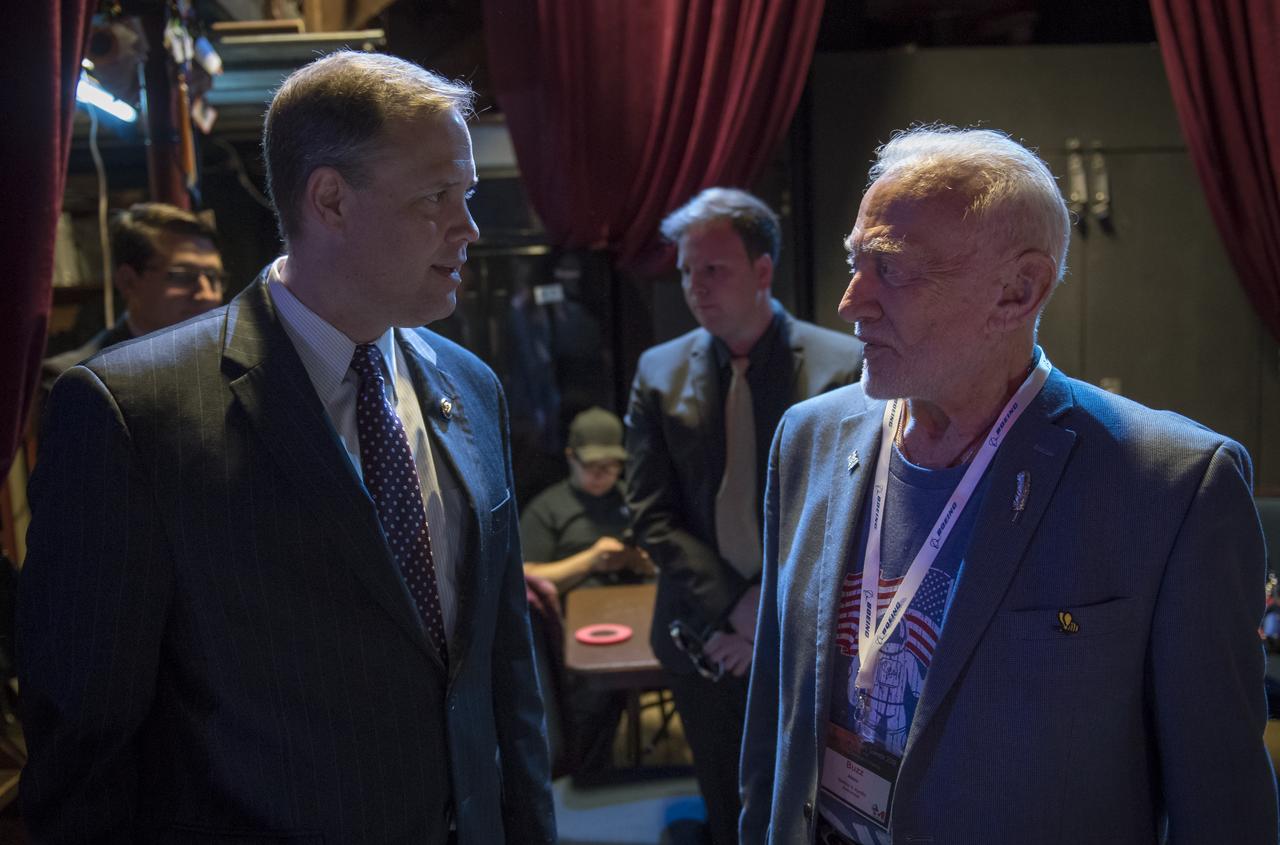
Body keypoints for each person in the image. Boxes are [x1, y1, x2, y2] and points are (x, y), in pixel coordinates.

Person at [19, 51, 555, 844]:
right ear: (330, 199)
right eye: (436, 196)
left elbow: (504, 671)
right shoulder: (134, 413)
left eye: (466, 195)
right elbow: (83, 745)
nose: (468, 227)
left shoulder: (472, 386)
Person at [739, 126, 1278, 845]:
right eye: (854, 262)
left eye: (891, 268)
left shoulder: (1171, 486)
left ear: (1018, 291)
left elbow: (1224, 806)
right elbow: (773, 724)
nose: (850, 302)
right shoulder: (808, 438)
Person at [625, 187, 863, 845]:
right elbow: (649, 510)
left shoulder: (841, 365)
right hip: (699, 636)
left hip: (806, 636)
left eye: (713, 269)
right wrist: (733, 606)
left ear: (762, 271)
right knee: (724, 806)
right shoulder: (658, 371)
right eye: (685, 271)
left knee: (807, 809)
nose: (695, 286)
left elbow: (848, 512)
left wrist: (767, 619)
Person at [521, 406, 654, 774]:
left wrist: (641, 561)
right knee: (594, 699)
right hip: (578, 631)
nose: (601, 475)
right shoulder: (548, 508)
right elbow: (526, 577)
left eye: (611, 466)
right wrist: (591, 560)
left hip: (641, 616)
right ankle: (587, 776)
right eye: (592, 465)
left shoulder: (634, 499)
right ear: (570, 457)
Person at [41, 202, 224, 389]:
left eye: (214, 277)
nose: (208, 295)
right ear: (128, 281)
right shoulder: (76, 381)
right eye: (183, 276)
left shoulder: (229, 365)